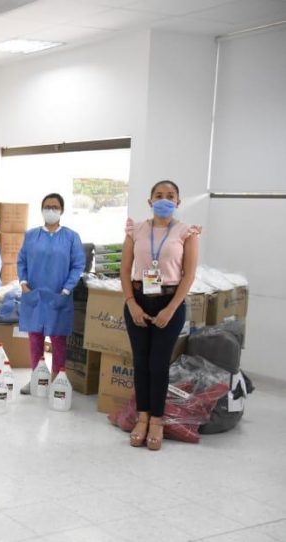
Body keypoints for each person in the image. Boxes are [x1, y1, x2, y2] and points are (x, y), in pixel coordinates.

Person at [121, 180, 200, 451]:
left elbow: (189, 275)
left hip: (170, 302)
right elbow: (125, 270)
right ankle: (142, 417)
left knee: (158, 364)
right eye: (159, 195)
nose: (164, 199)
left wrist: (171, 308)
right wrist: (132, 303)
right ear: (150, 201)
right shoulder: (136, 229)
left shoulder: (186, 232)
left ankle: (157, 420)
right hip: (138, 300)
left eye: (170, 196)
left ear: (178, 202)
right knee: (141, 362)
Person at [16, 193, 85, 394]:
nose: (51, 210)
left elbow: (78, 265)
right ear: (41, 209)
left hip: (59, 295)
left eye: (55, 207)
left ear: (62, 210)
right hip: (35, 294)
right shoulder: (31, 235)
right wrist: (23, 283)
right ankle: (36, 379)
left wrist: (66, 288)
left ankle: (57, 380)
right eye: (47, 206)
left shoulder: (71, 237)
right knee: (35, 337)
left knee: (58, 339)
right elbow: (21, 260)